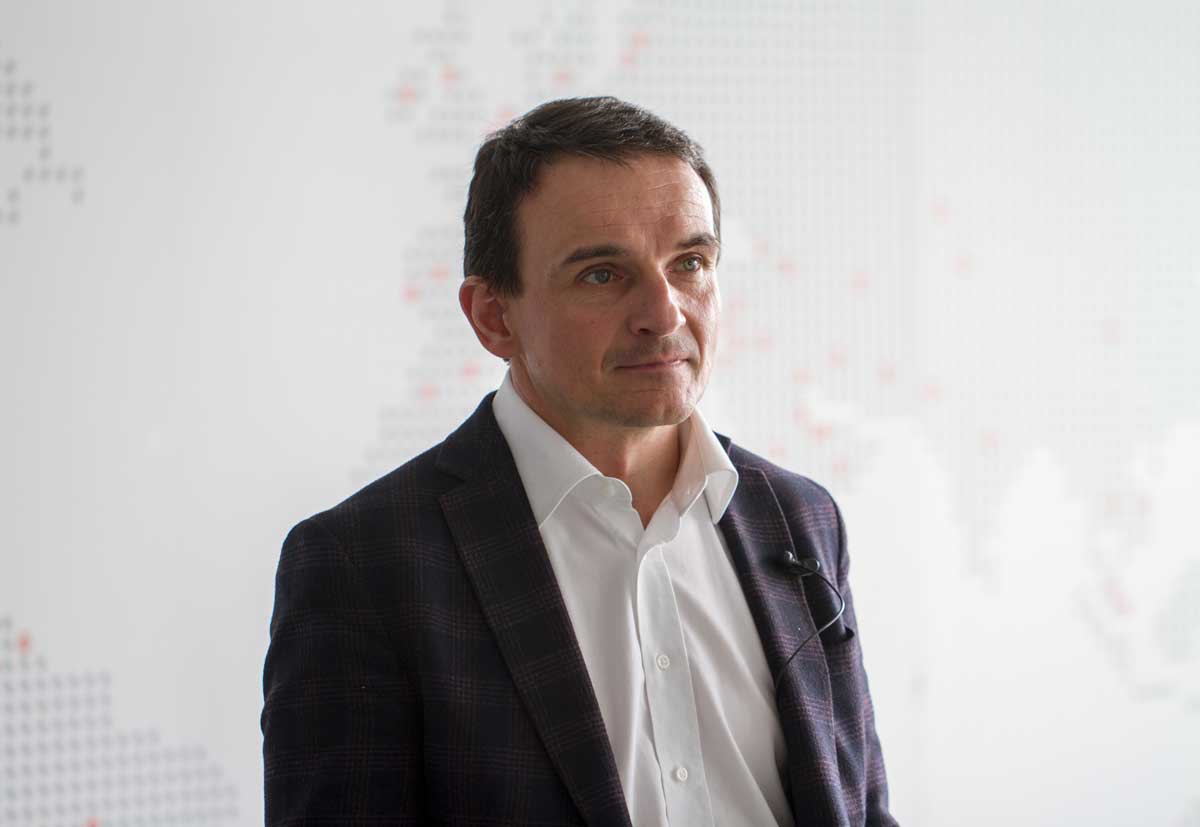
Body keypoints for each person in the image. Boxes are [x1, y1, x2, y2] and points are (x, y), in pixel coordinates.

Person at [261, 96, 896, 826]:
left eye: (690, 263)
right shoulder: (363, 565)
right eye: (602, 274)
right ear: (493, 316)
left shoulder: (800, 518)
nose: (665, 312)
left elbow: (865, 808)